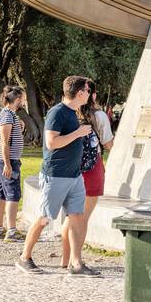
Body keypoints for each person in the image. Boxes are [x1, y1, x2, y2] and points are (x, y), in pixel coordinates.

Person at [17, 75, 96, 276]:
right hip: (56, 175)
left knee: (77, 217)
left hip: (74, 176)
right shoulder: (57, 112)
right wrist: (78, 133)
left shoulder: (73, 112)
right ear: (79, 92)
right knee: (44, 218)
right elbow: (52, 142)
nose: (89, 93)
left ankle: (76, 263)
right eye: (87, 90)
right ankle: (24, 258)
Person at [60, 80, 114, 270]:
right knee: (83, 218)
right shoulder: (99, 116)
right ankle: (77, 259)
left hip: (71, 167)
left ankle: (65, 259)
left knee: (71, 216)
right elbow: (108, 144)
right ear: (93, 95)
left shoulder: (68, 114)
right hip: (92, 168)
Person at [0, 86, 28, 241]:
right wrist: (7, 164)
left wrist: (20, 127)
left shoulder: (10, 115)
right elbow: (5, 142)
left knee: (1, 194)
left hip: (6, 159)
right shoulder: (7, 115)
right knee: (13, 195)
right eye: (24, 99)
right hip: (8, 160)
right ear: (17, 99)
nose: (25, 103)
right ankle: (12, 231)